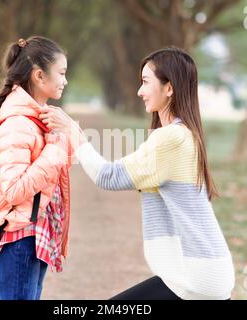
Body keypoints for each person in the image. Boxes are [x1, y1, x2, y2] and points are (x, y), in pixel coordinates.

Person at [39, 46, 235, 300]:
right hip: (201, 275)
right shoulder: (183, 133)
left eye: (145, 82)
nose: (140, 91)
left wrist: (73, 133)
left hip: (197, 280)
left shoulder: (172, 138)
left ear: (169, 88)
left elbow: (107, 176)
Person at [0, 36, 71, 300]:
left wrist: (61, 136)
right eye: (61, 73)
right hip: (20, 235)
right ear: (40, 76)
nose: (65, 80)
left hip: (33, 231)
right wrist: (55, 148)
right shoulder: (19, 124)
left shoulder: (37, 120)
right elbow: (15, 190)